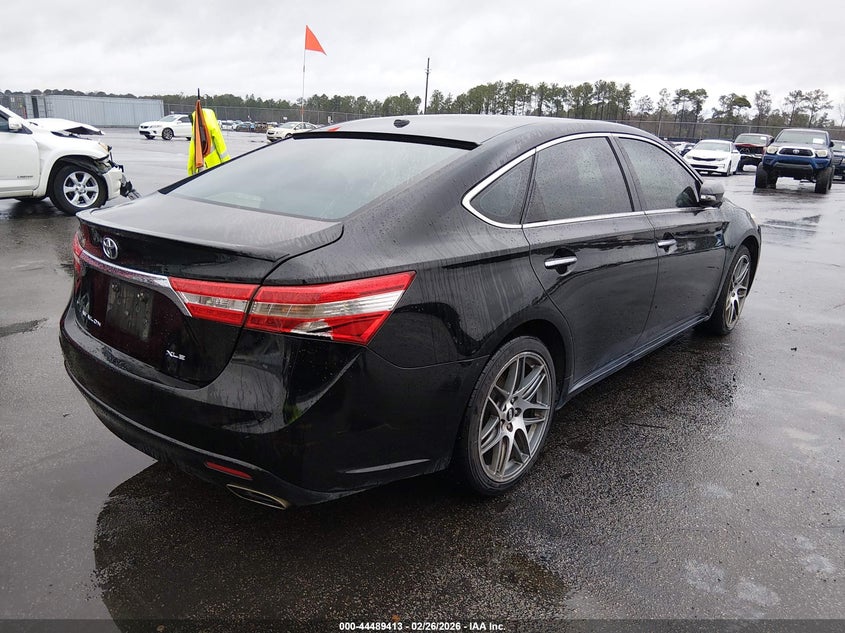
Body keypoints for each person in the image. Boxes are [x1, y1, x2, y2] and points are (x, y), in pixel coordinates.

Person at [187, 107, 230, 175]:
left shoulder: (196, 131)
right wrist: (227, 164)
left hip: (203, 167)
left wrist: (191, 172)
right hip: (216, 165)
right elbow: (220, 144)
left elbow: (192, 153)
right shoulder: (212, 125)